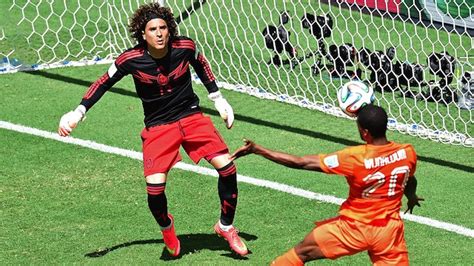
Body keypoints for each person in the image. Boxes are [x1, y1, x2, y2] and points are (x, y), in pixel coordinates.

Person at [57, 3, 248, 257]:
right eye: (152, 29)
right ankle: (167, 228)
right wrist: (78, 112)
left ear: (169, 30)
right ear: (142, 34)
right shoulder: (130, 59)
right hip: (159, 126)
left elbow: (200, 63)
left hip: (191, 116)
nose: (159, 33)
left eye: (163, 28)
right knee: (155, 190)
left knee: (227, 167)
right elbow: (104, 82)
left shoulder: (185, 47)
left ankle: (226, 226)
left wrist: (219, 99)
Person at [231, 105, 423, 265]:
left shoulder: (354, 157)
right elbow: (409, 178)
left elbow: (301, 162)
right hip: (388, 233)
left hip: (352, 229)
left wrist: (258, 149)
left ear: (364, 132)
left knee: (301, 253)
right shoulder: (407, 153)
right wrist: (411, 196)